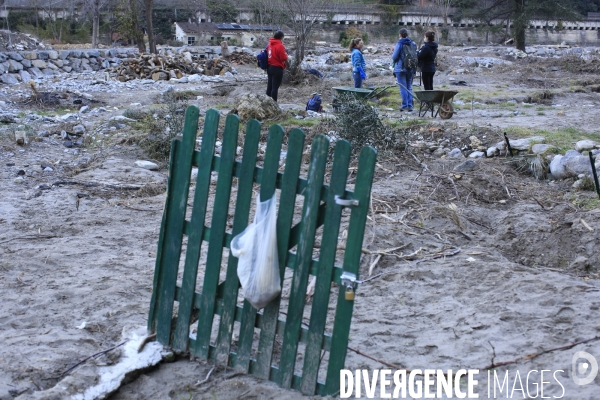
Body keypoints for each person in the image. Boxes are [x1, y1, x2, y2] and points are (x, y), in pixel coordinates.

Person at [392, 28, 417, 112]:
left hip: (401, 68)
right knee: (409, 86)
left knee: (403, 87)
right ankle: (410, 105)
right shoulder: (413, 43)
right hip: (410, 67)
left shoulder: (400, 44)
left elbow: (394, 57)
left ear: (400, 35)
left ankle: (404, 105)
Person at [266, 30, 288, 102]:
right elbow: (283, 58)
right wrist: (287, 55)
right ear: (281, 37)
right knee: (275, 88)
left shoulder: (269, 44)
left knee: (269, 87)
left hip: (269, 67)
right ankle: (274, 105)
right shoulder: (280, 46)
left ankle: (266, 103)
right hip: (277, 68)